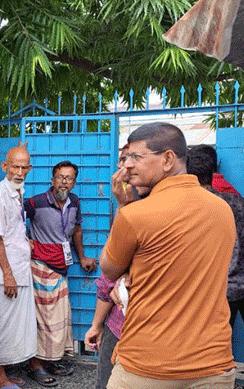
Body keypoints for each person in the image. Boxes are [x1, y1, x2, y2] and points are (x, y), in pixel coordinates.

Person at [101, 122, 236, 388]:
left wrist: (122, 206)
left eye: (136, 157)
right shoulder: (222, 209)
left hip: (147, 366)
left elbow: (109, 268)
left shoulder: (135, 214)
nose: (126, 166)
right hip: (213, 364)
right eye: (126, 157)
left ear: (168, 159)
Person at [24, 160, 97, 385]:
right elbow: (12, 222)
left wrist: (82, 256)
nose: (64, 182)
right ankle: (35, 365)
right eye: (60, 177)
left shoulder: (74, 201)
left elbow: (77, 229)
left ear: (74, 183)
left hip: (62, 268)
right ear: (52, 180)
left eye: (69, 178)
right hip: (40, 267)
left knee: (58, 320)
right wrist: (25, 241)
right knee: (43, 319)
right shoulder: (35, 203)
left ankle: (50, 361)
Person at [84, 145, 151, 389]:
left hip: (125, 326)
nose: (125, 168)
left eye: (132, 161)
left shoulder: (134, 214)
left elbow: (108, 275)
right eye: (123, 161)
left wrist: (96, 324)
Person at [187, 145, 244, 349]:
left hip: (219, 288)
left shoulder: (194, 207)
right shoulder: (238, 201)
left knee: (216, 349)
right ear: (214, 171)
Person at [0, 144, 37, 389]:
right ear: (4, 166)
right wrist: (7, 273)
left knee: (14, 325)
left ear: (29, 168)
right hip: (5, 272)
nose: (19, 171)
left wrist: (26, 242)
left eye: (23, 167)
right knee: (4, 325)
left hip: (18, 267)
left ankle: (4, 373)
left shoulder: (18, 191)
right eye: (14, 166)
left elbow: (12, 230)